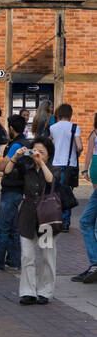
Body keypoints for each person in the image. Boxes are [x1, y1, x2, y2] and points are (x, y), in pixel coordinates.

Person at [10, 137, 58, 305]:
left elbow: (51, 180)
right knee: (27, 256)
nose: (37, 154)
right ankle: (28, 291)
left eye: (42, 152)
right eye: (35, 151)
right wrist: (15, 157)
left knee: (47, 256)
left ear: (49, 154)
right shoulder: (26, 168)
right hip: (28, 215)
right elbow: (8, 171)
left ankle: (45, 291)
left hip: (46, 217)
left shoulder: (53, 169)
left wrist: (41, 163)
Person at [0, 114, 30, 274]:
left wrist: (4, 159)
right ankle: (14, 260)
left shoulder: (16, 145)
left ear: (11, 128)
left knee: (3, 227)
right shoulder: (26, 143)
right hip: (20, 188)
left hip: (12, 189)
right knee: (13, 227)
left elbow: (2, 165)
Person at [47, 103, 82, 232]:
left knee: (56, 193)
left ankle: (56, 220)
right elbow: (79, 146)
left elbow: (51, 143)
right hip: (69, 164)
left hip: (55, 163)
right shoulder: (74, 127)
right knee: (67, 193)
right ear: (70, 113)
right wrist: (78, 152)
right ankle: (65, 222)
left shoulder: (53, 127)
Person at [72, 112, 97, 284]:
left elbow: (89, 152)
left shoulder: (94, 133)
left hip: (96, 168)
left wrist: (85, 169)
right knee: (87, 221)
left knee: (87, 221)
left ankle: (95, 263)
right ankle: (95, 263)